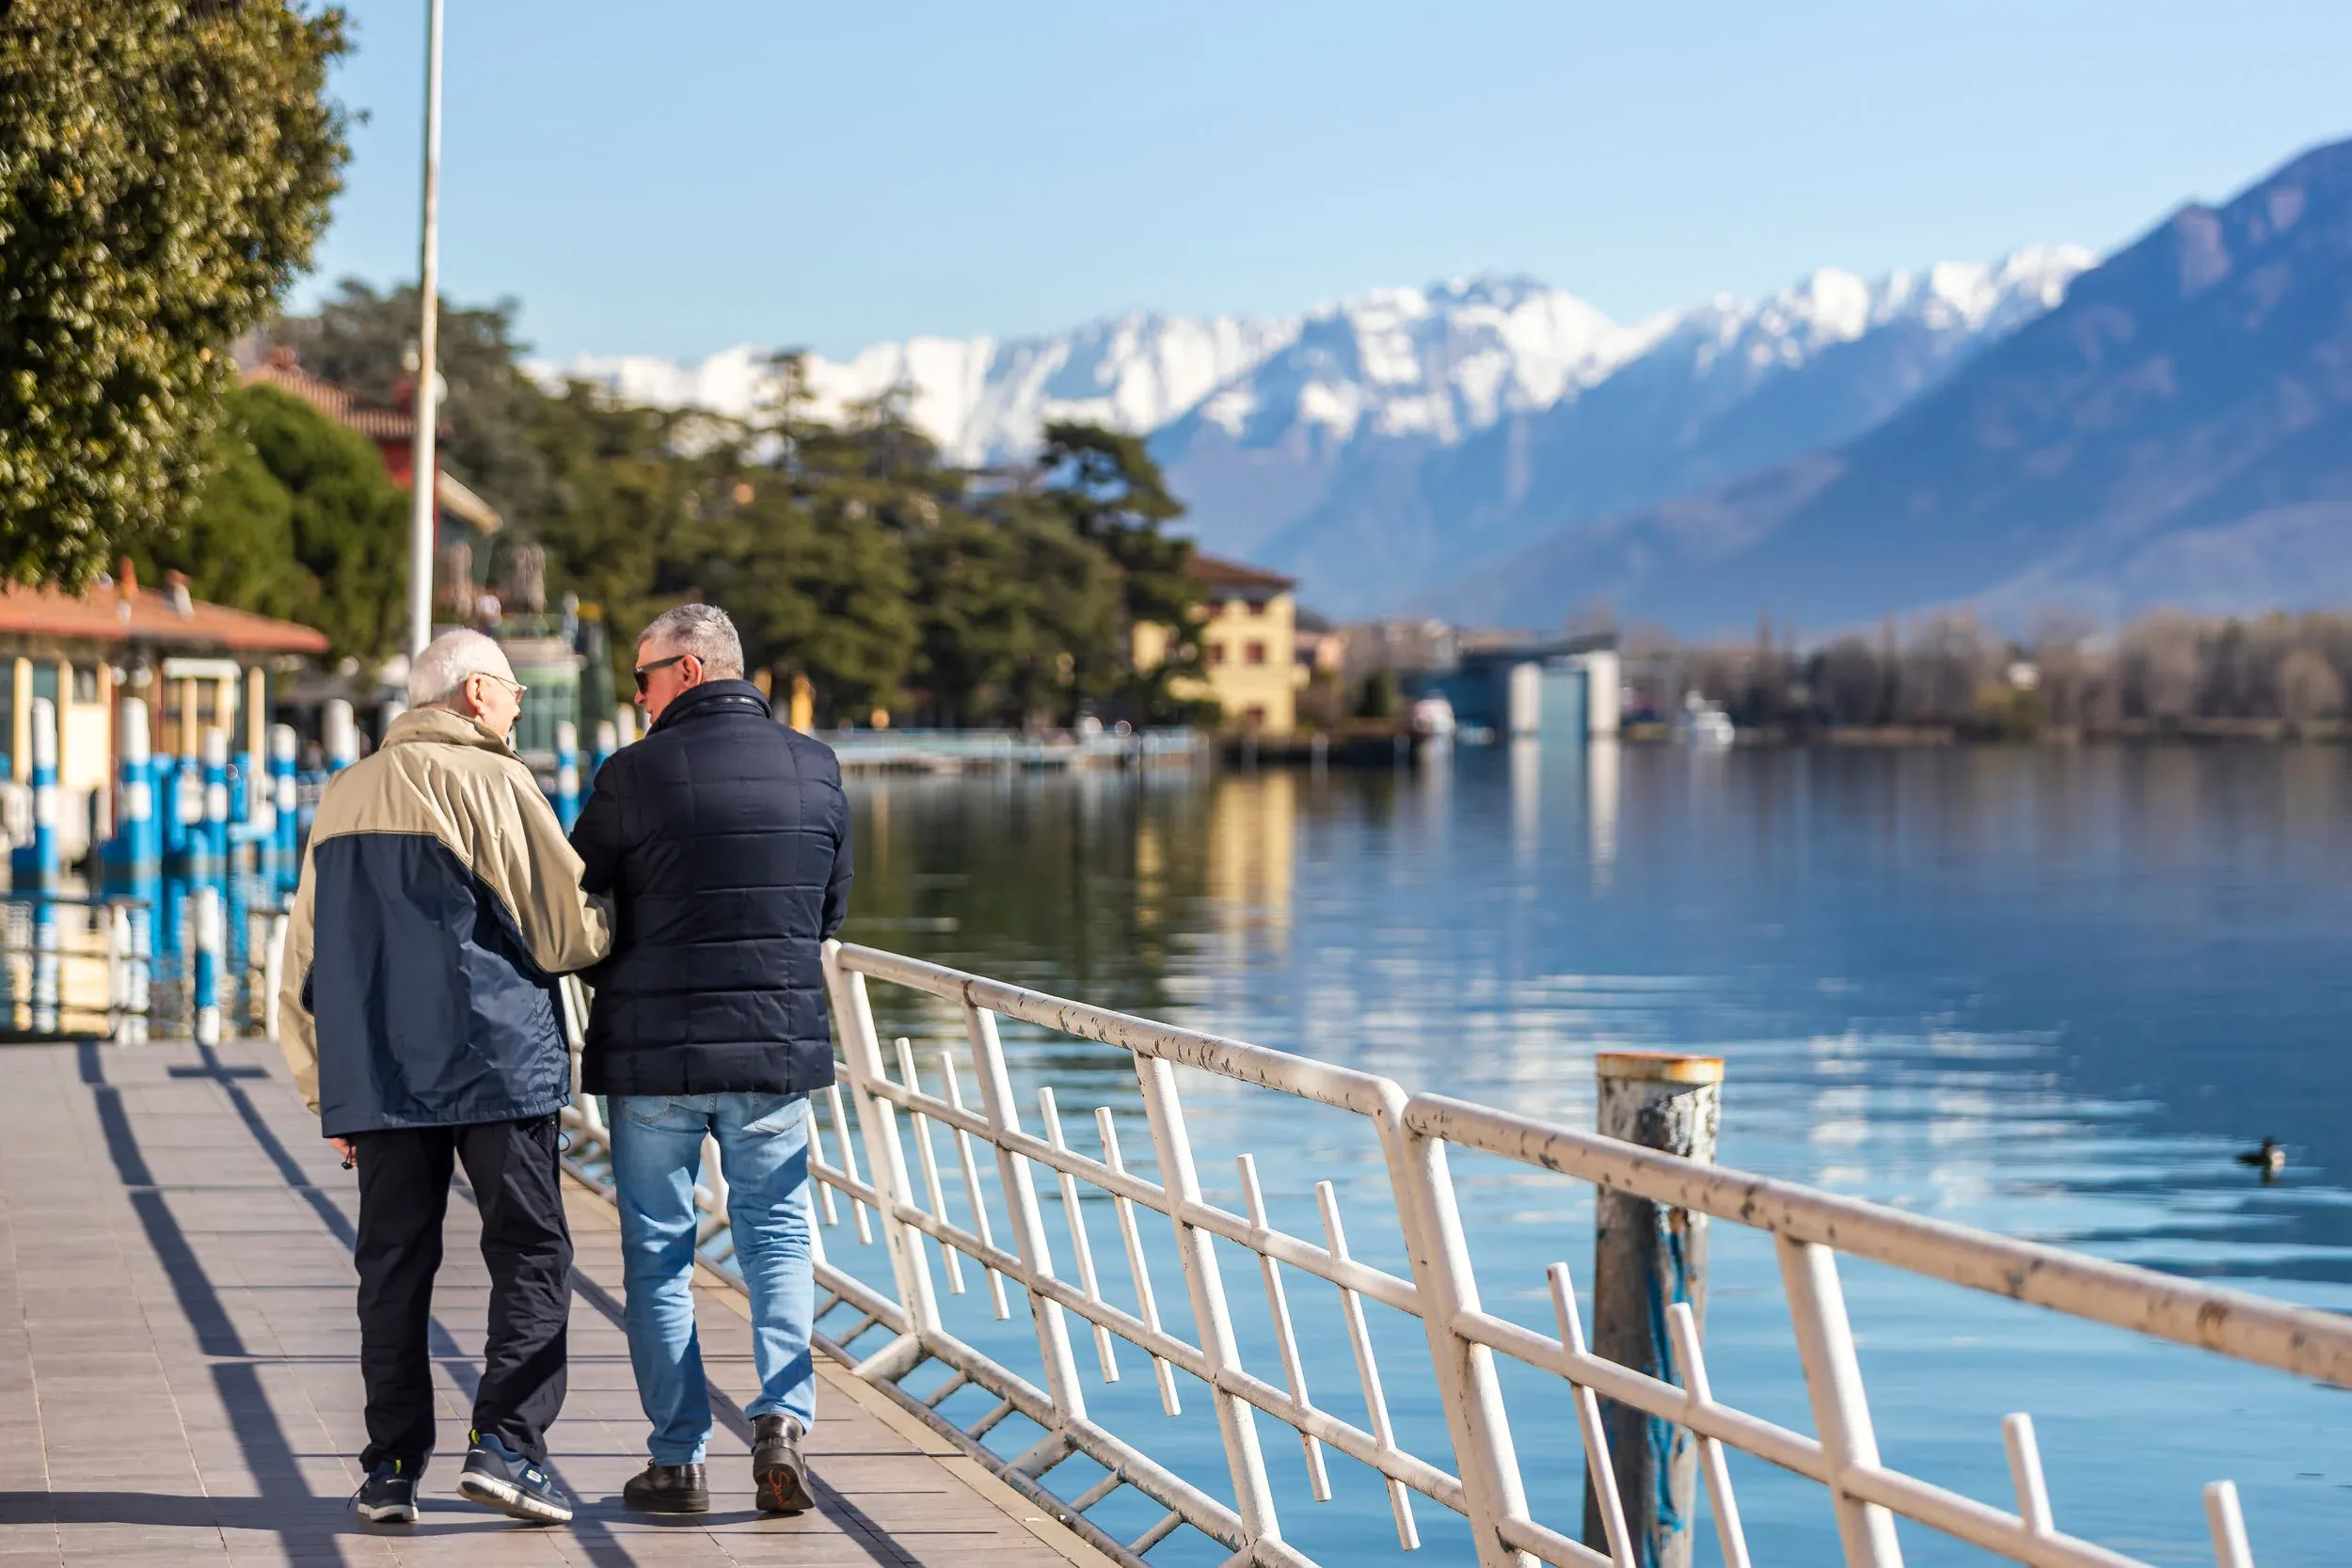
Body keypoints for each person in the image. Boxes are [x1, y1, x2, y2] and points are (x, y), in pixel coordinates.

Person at [278, 630, 611, 1527]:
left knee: (391, 1268)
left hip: (379, 1080)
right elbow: (564, 933)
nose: (513, 706)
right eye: (507, 690)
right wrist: (622, 917)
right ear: (471, 692)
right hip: (497, 1066)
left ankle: (389, 1467)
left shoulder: (341, 796)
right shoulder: (495, 782)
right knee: (532, 1254)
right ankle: (507, 1448)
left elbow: (299, 969)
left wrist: (326, 1092)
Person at [570, 603, 850, 1516]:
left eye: (644, 677)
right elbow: (827, 913)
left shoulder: (630, 774)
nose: (638, 696)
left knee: (659, 1252)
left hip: (652, 1059)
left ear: (687, 671)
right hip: (772, 1048)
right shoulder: (815, 767)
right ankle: (779, 1420)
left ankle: (678, 1458)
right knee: (777, 1235)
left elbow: (581, 899)